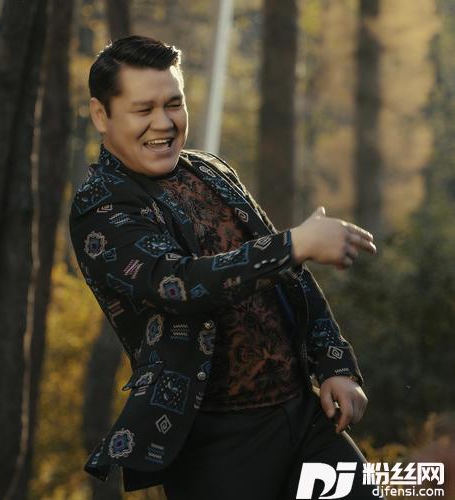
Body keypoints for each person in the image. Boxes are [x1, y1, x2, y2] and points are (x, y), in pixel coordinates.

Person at [69, 35, 382, 499]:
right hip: (216, 444)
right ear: (101, 115)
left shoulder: (209, 169)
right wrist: (293, 244)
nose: (164, 122)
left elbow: (289, 275)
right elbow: (177, 284)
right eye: (143, 109)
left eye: (174, 104)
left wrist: (335, 364)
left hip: (304, 415)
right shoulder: (101, 206)